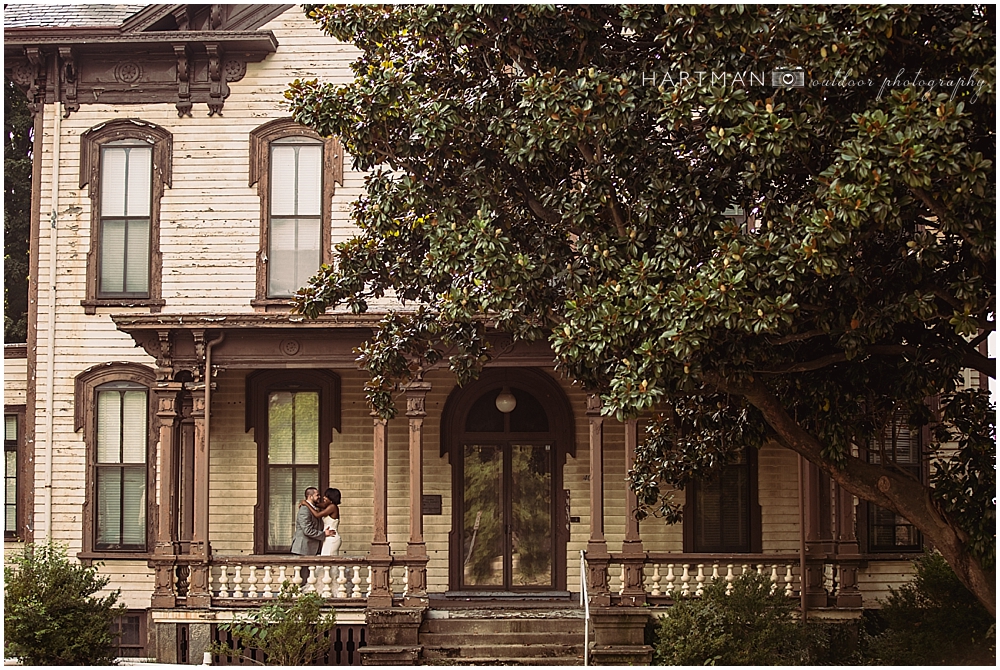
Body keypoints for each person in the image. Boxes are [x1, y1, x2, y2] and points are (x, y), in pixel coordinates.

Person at [291, 487, 334, 579]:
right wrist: (323, 534)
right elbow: (307, 530)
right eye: (317, 495)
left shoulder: (312, 508)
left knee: (309, 577)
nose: (319, 497)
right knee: (302, 578)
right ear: (310, 496)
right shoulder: (304, 510)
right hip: (303, 548)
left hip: (311, 548)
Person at [300, 487, 342, 556]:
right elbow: (318, 505)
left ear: (331, 498)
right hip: (328, 537)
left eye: (326, 496)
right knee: (328, 563)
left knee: (327, 562)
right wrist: (309, 502)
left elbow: (317, 515)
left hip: (332, 537)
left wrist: (306, 503)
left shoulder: (332, 507)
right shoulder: (328, 506)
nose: (323, 498)